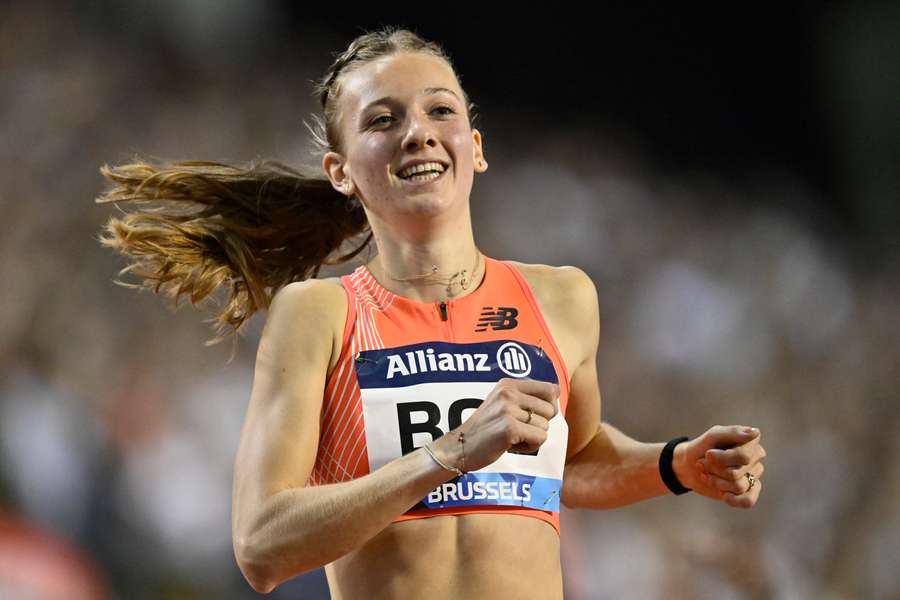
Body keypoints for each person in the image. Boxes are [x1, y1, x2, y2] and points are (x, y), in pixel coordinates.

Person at [95, 26, 767, 599]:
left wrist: (676, 465)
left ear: (475, 145)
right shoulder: (318, 316)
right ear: (341, 171)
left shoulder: (561, 298)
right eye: (383, 120)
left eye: (439, 111)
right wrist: (446, 456)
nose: (417, 133)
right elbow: (261, 544)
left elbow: (570, 460)